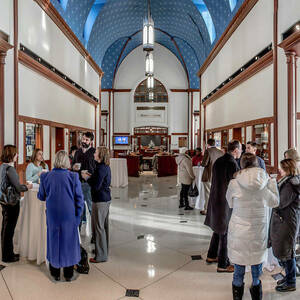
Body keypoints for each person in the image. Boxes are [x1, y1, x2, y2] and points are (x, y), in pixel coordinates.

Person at [226, 153, 279, 300]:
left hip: (239, 228)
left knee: (239, 266)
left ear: (241, 164)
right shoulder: (265, 182)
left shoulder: (234, 182)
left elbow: (230, 203)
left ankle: (237, 294)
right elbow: (274, 202)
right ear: (257, 164)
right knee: (256, 266)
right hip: (258, 229)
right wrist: (273, 184)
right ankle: (256, 293)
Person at [38, 150, 84, 281]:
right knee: (69, 242)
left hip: (52, 215)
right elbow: (79, 200)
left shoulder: (45, 177)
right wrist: (77, 217)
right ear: (66, 162)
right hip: (69, 216)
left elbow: (41, 196)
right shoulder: (73, 177)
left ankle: (55, 273)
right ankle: (68, 274)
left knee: (54, 241)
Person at [204, 140, 241, 272]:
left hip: (215, 198)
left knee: (218, 229)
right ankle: (223, 264)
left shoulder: (219, 161)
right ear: (236, 150)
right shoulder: (232, 163)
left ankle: (211, 255)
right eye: (240, 149)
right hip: (225, 201)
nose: (241, 152)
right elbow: (236, 184)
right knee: (226, 232)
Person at [269, 159, 300, 292]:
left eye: (281, 168)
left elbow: (280, 203)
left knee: (287, 252)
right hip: (286, 219)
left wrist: (270, 193)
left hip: (287, 221)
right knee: (284, 250)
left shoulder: (290, 184)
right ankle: (288, 277)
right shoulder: (288, 180)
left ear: (287, 168)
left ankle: (291, 282)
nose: (279, 170)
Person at [0, 145, 32, 263]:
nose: (17, 155)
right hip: (12, 202)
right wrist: (27, 187)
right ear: (11, 155)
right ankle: (8, 256)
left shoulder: (2, 167)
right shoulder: (10, 169)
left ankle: (6, 253)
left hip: (4, 201)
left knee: (5, 228)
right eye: (16, 153)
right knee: (9, 230)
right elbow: (18, 187)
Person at [82, 147, 111, 263]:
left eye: (96, 152)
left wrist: (86, 178)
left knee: (99, 228)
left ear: (100, 155)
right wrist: (90, 175)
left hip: (100, 200)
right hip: (105, 199)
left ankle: (101, 256)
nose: (94, 154)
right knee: (103, 227)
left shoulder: (101, 169)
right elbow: (97, 179)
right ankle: (103, 250)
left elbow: (96, 186)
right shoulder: (103, 166)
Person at [72, 132, 96, 220]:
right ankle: (80, 225)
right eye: (83, 139)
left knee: (91, 206)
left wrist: (89, 174)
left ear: (91, 141)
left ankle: (94, 229)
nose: (84, 141)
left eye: (87, 140)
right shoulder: (78, 152)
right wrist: (73, 167)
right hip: (78, 182)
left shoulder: (94, 152)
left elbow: (96, 168)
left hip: (89, 184)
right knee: (79, 206)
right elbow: (73, 164)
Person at [201, 139, 223, 215]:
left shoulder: (208, 151)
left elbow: (204, 163)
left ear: (208, 144)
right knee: (216, 193)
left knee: (208, 193)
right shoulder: (220, 152)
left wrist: (201, 162)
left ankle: (207, 209)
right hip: (217, 175)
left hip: (208, 175)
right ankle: (216, 208)